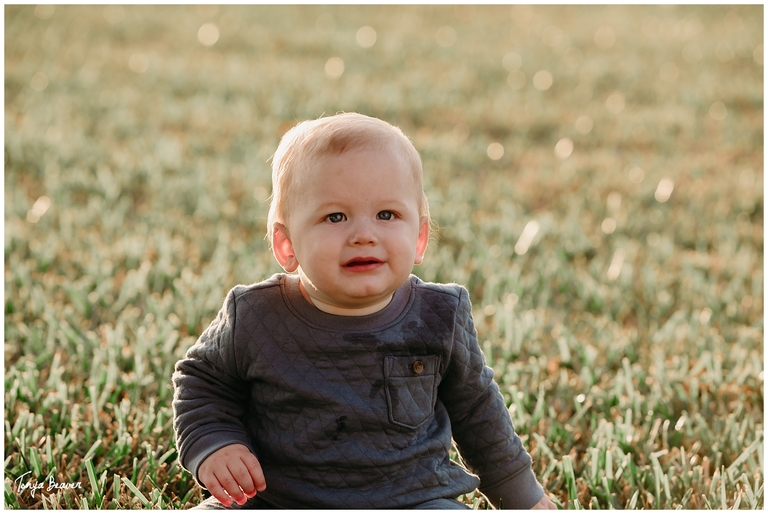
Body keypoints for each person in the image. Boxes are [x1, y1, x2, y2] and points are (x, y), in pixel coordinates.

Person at [172, 113, 557, 510]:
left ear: (420, 238)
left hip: (412, 501)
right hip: (276, 500)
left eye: (386, 215)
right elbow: (201, 383)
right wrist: (216, 444)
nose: (363, 235)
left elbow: (479, 413)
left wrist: (522, 497)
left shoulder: (440, 316)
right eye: (335, 217)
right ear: (286, 246)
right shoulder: (254, 316)